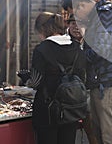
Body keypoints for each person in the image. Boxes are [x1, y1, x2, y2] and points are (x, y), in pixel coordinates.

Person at [61, 0, 112, 144]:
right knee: (99, 131)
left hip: (109, 82)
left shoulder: (105, 16)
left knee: (110, 133)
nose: (76, 18)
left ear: (81, 5)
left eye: (76, 13)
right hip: (101, 81)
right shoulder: (98, 17)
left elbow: (101, 50)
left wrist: (78, 56)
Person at [28, 12, 86, 144]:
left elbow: (36, 82)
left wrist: (26, 78)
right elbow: (82, 78)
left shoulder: (41, 49)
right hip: (71, 108)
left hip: (48, 109)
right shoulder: (76, 47)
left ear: (43, 29)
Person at [66, 14, 99, 144]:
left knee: (91, 127)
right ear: (68, 25)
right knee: (69, 128)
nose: (76, 27)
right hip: (70, 92)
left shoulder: (92, 42)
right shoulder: (64, 43)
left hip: (89, 88)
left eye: (80, 23)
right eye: (73, 23)